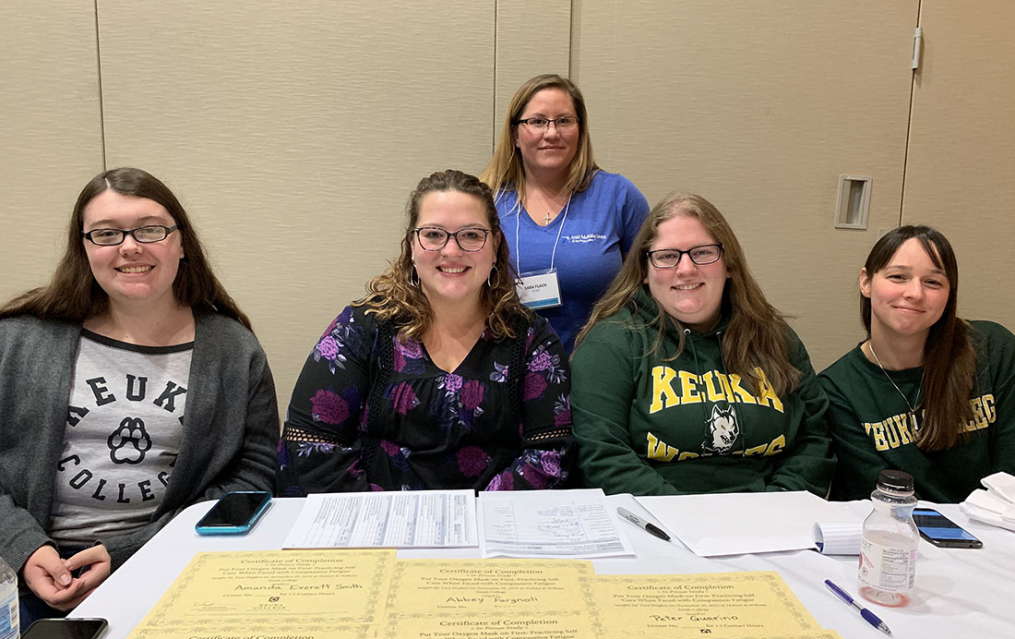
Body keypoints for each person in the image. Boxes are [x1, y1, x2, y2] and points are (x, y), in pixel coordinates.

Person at [0, 167, 278, 628]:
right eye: (106, 233)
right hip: (28, 574)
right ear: (84, 248)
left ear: (181, 242)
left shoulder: (232, 349)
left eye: (150, 229)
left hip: (175, 560)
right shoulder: (17, 342)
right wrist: (24, 549)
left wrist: (131, 552)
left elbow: (253, 478)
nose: (130, 246)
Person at [277, 170, 572, 494]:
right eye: (433, 235)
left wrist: (474, 520)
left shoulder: (531, 339)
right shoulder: (362, 327)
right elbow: (309, 444)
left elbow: (550, 456)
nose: (451, 250)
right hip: (377, 530)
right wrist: (387, 520)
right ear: (412, 246)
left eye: (472, 235)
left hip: (496, 531)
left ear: (495, 244)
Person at [570, 193, 834, 496]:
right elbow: (603, 457)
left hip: (774, 525)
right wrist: (690, 522)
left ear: (730, 264)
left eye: (703, 253)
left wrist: (777, 507)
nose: (685, 269)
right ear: (644, 271)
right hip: (659, 526)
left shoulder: (774, 336)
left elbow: (814, 437)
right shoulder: (610, 344)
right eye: (668, 256)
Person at [819, 225, 1015, 502]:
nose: (915, 293)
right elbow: (880, 499)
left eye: (933, 282)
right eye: (898, 277)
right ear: (866, 282)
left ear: (949, 294)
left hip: (1000, 530)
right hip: (905, 536)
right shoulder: (838, 389)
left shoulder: (993, 349)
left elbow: (1011, 476)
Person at [480, 74, 650, 352]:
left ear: (580, 130)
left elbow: (652, 288)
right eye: (537, 121)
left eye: (564, 121)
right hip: (504, 368)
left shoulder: (618, 195)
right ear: (515, 134)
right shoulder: (486, 201)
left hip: (598, 367)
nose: (551, 133)